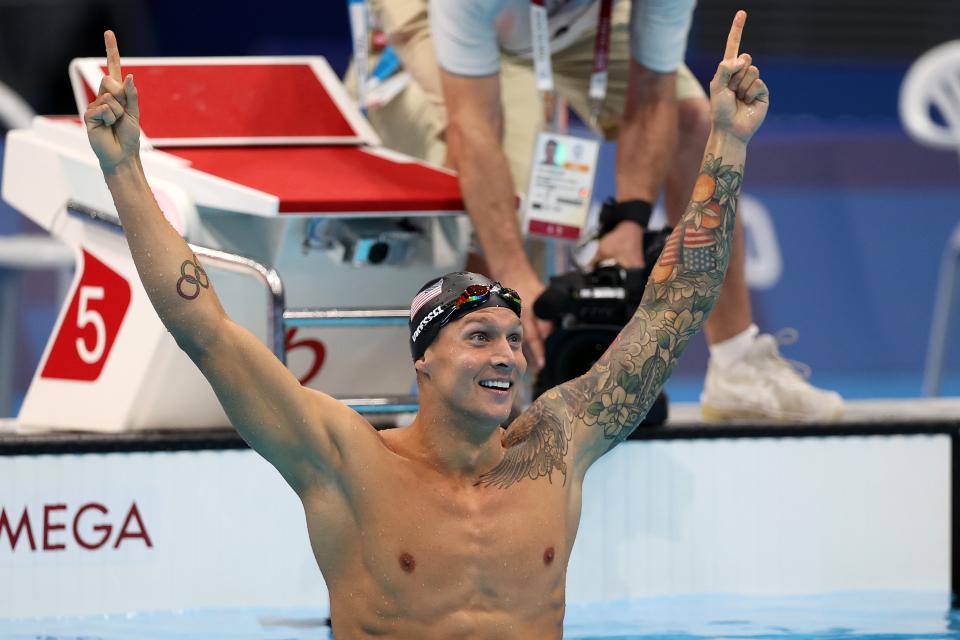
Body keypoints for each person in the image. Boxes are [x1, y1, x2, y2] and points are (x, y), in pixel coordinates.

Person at [88, 13, 763, 636]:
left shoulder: (558, 447)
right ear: (424, 362)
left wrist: (727, 142)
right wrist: (124, 172)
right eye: (478, 338)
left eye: (509, 337)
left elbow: (673, 311)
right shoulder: (346, 461)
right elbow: (205, 329)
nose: (506, 355)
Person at [358, 0, 842, 422]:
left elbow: (653, 91)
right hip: (444, 13)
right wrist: (513, 275)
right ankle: (475, 389)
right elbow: (474, 126)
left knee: (694, 120)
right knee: (504, 178)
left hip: (576, 25)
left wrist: (629, 222)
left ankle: (738, 366)